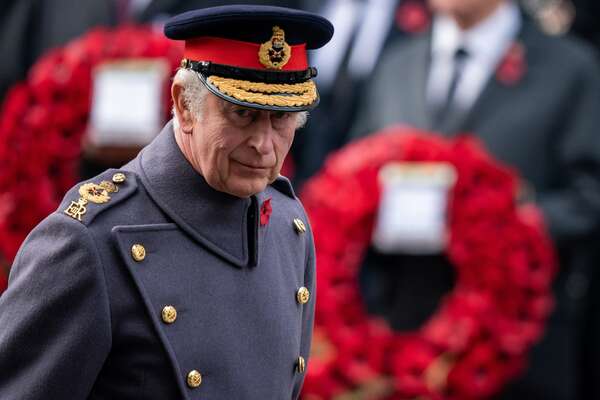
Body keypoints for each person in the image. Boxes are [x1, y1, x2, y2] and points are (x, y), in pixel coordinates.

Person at [0, 5, 333, 399]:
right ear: (185, 105)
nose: (264, 145)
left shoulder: (287, 225)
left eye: (281, 119)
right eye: (242, 114)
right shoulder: (90, 240)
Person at [348, 0, 600, 399]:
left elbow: (589, 195)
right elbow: (351, 181)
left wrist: (511, 222)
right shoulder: (397, 64)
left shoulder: (571, 68)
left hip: (518, 349)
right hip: (405, 335)